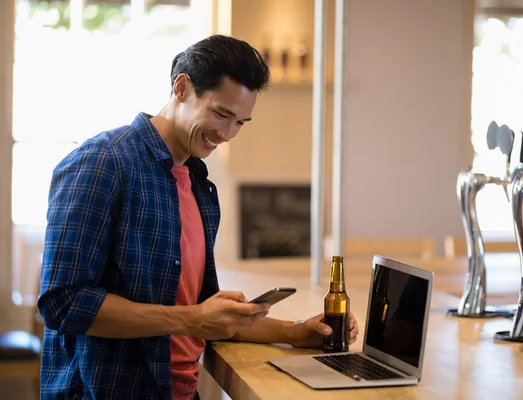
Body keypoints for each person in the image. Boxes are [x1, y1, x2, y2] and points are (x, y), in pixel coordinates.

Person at [37, 34, 359, 400]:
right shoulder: (103, 163)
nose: (226, 134)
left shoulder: (198, 185)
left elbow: (206, 313)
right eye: (221, 114)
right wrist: (191, 319)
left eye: (241, 122)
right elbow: (63, 304)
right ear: (181, 87)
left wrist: (296, 331)